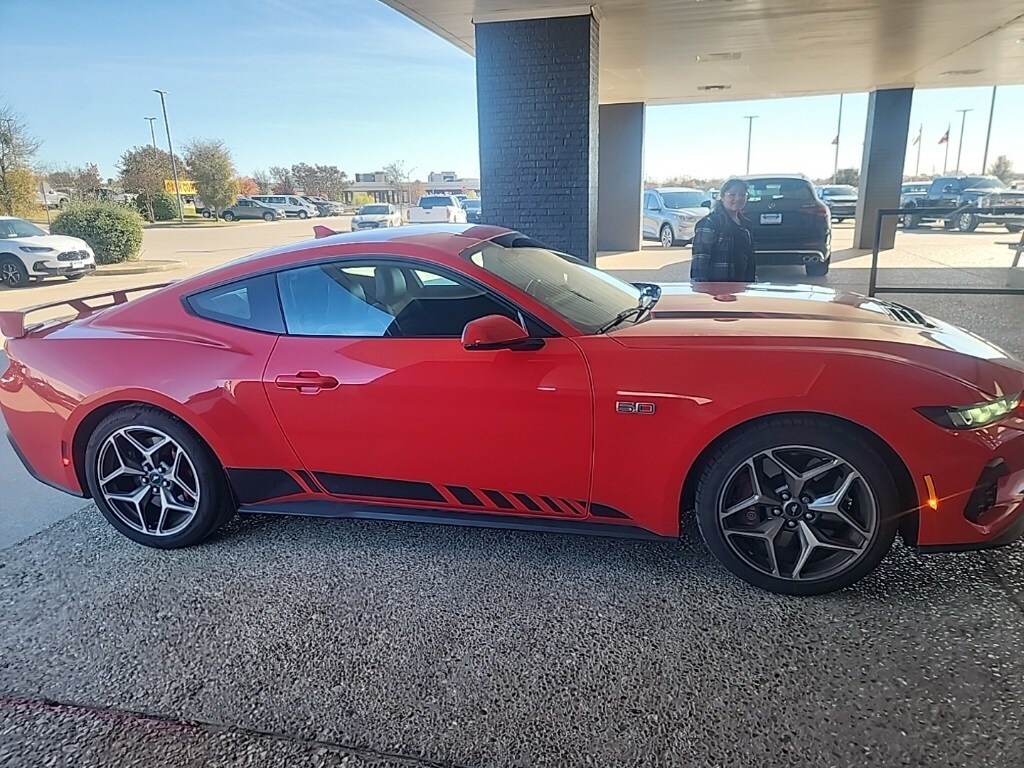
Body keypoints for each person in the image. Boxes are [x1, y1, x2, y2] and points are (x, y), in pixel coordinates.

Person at [690, 178, 756, 283]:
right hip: (717, 289)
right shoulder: (710, 222)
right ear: (722, 197)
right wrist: (701, 288)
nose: (738, 198)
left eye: (742, 194)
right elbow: (700, 260)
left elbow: (750, 259)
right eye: (732, 195)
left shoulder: (746, 224)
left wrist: (751, 283)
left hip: (742, 287)